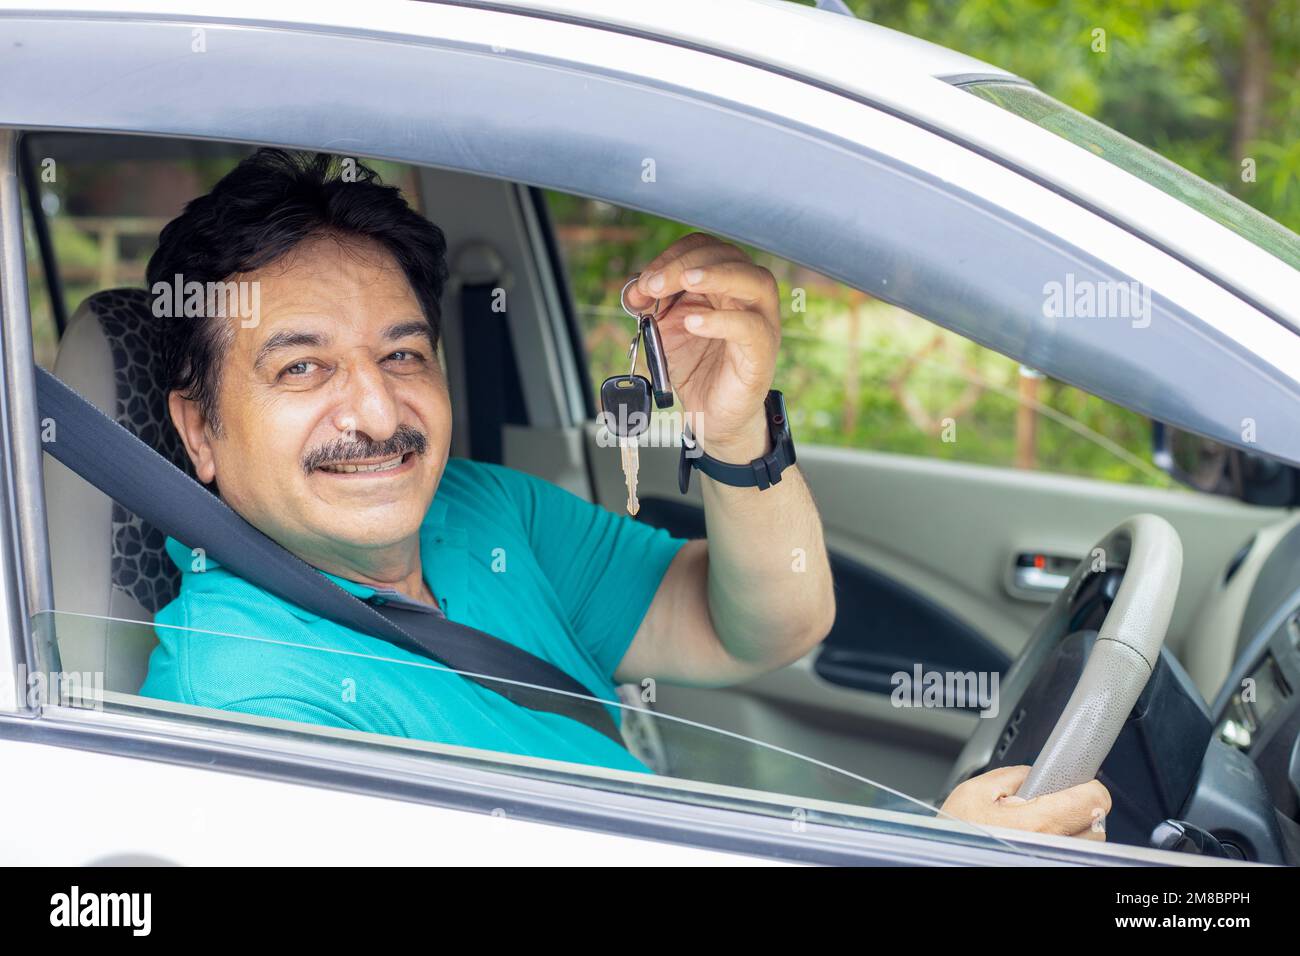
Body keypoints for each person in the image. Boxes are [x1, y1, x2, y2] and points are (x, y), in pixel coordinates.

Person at [139, 149, 1109, 840]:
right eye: (302, 368)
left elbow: (763, 625)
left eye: (401, 353)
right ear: (199, 430)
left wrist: (730, 432)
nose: (375, 408)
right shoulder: (246, 699)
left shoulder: (481, 512)